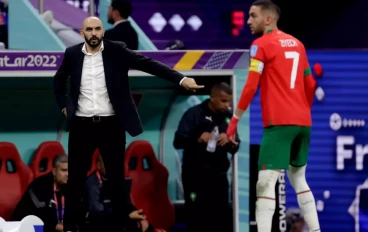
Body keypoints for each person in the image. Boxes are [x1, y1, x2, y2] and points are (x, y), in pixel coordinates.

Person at [53, 16, 202, 232]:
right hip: (81, 126)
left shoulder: (117, 50)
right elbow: (58, 80)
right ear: (82, 33)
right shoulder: (73, 54)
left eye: (97, 29)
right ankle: (69, 229)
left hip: (111, 125)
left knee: (116, 183)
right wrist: (64, 107)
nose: (94, 33)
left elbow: (149, 64)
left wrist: (181, 79)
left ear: (103, 31)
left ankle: (122, 228)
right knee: (75, 183)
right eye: (89, 29)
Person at [225, 1, 320, 232]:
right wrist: (303, 111)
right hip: (303, 123)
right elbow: (311, 83)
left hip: (279, 123)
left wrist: (234, 121)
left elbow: (250, 87)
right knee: (299, 180)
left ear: (268, 19)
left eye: (253, 16)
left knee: (265, 183)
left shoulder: (260, 45)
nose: (248, 21)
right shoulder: (298, 44)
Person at [173, 82, 240, 232]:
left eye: (229, 101)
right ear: (212, 98)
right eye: (223, 101)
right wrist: (197, 139)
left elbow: (236, 146)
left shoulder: (229, 118)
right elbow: (177, 142)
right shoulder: (193, 114)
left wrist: (230, 141)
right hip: (195, 176)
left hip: (219, 177)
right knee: (197, 217)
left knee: (221, 218)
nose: (227, 105)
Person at [85, 155, 153, 232]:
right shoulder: (92, 183)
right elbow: (98, 211)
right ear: (98, 165)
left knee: (145, 225)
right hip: (100, 223)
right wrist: (127, 216)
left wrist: (136, 214)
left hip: (117, 218)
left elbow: (125, 201)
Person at [12, 154, 68, 232]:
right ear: (54, 171)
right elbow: (33, 221)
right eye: (64, 170)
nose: (68, 174)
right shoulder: (39, 187)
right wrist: (55, 227)